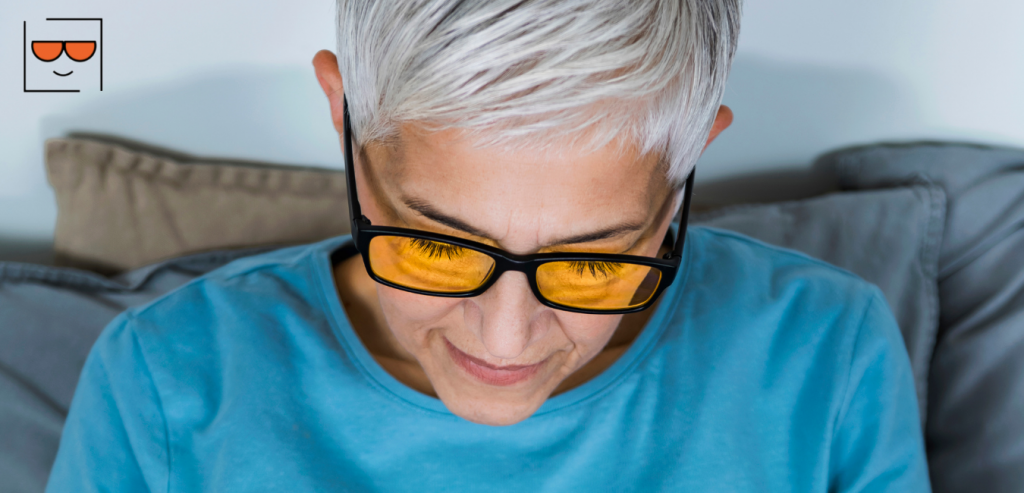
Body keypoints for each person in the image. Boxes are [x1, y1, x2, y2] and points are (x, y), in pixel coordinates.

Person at [46, 0, 931, 491]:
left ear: (690, 162)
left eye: (594, 262)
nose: (504, 340)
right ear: (344, 119)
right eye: (435, 248)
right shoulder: (164, 381)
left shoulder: (829, 352)